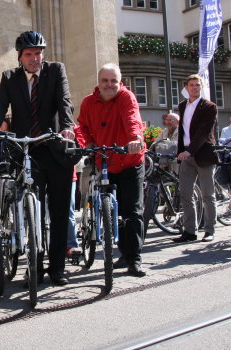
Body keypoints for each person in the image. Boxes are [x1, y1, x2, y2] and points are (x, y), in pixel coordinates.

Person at [0, 30, 75, 286]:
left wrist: (67, 127)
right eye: (29, 54)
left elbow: (64, 102)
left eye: (38, 53)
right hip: (28, 150)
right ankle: (35, 267)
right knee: (32, 210)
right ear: (20, 57)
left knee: (59, 210)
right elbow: (0, 107)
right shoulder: (10, 78)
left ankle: (57, 269)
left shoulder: (55, 70)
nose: (35, 58)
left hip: (54, 147)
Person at [74, 63, 147, 277]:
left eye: (113, 81)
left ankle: (133, 258)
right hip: (104, 160)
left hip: (129, 160)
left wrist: (136, 138)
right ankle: (118, 247)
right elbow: (82, 127)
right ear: (98, 82)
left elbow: (132, 119)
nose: (109, 85)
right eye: (105, 80)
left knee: (131, 210)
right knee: (111, 209)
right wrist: (86, 143)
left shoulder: (126, 97)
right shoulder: (89, 102)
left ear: (119, 81)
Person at [172, 74, 218, 243]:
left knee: (207, 195)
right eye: (191, 85)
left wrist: (189, 151)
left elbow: (203, 132)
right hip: (186, 155)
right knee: (185, 194)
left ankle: (210, 230)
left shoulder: (209, 107)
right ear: (186, 87)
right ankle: (190, 231)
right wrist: (180, 153)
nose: (194, 88)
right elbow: (182, 133)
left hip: (203, 154)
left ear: (201, 87)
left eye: (197, 85)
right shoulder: (182, 105)